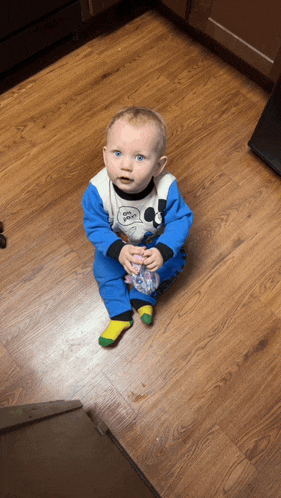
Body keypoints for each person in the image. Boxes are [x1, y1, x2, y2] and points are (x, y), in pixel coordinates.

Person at [82, 106, 193, 346]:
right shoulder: (97, 191)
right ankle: (119, 314)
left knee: (176, 260)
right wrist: (118, 250)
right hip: (118, 244)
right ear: (104, 155)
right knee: (103, 271)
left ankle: (142, 296)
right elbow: (95, 226)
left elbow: (180, 219)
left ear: (158, 166)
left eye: (140, 157)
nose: (126, 166)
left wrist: (163, 251)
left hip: (153, 244)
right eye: (117, 153)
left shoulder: (166, 188)